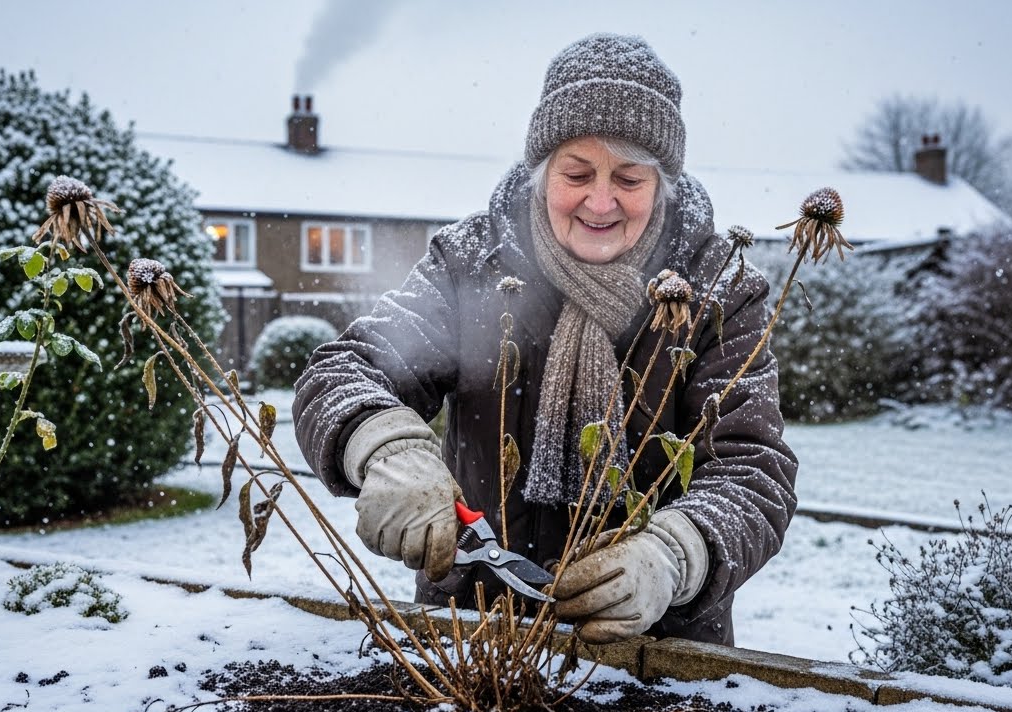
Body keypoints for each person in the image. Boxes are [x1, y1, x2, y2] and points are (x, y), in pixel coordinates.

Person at [293, 33, 797, 646]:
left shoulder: (718, 288)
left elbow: (753, 468)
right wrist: (386, 448)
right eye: (577, 173)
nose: (601, 201)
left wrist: (674, 554)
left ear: (663, 183)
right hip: (472, 635)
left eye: (630, 178)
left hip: (655, 653)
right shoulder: (470, 262)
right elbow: (343, 371)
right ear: (540, 172)